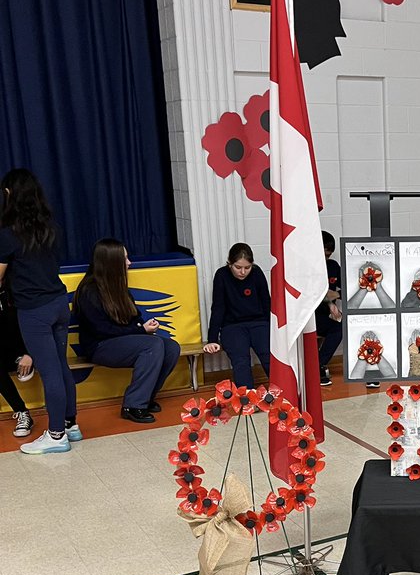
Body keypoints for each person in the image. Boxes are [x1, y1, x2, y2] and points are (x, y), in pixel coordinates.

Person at [0, 168, 81, 453]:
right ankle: (71, 426)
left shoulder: (8, 235)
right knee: (60, 366)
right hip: (59, 303)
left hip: (34, 310)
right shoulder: (49, 226)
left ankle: (56, 435)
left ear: (12, 195)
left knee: (50, 372)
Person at [73, 238, 180, 423]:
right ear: (111, 263)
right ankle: (133, 405)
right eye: (124, 259)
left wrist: (144, 327)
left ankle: (146, 398)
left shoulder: (119, 287)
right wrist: (140, 330)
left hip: (124, 340)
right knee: (152, 345)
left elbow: (135, 318)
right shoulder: (88, 291)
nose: (129, 263)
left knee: (171, 347)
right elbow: (102, 330)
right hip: (99, 346)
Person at [202, 243, 270, 388]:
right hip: (232, 326)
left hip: (259, 322)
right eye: (238, 267)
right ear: (229, 264)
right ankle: (247, 398)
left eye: (247, 267)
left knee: (269, 356)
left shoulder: (257, 273)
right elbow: (218, 308)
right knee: (240, 360)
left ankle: (285, 394)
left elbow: (267, 303)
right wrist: (212, 339)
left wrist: (276, 330)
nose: (243, 272)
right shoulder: (221, 275)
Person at [0, 292, 34, 438]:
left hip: (25, 351)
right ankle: (21, 411)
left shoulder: (17, 289)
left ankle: (66, 420)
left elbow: (35, 325)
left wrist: (29, 354)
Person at [316, 231, 342, 386]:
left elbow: (348, 289)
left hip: (326, 316)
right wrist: (328, 300)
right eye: (324, 255)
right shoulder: (307, 268)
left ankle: (319, 364)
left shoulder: (333, 266)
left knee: (340, 328)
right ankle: (317, 366)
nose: (326, 259)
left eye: (329, 255)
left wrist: (335, 295)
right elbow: (311, 295)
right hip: (309, 316)